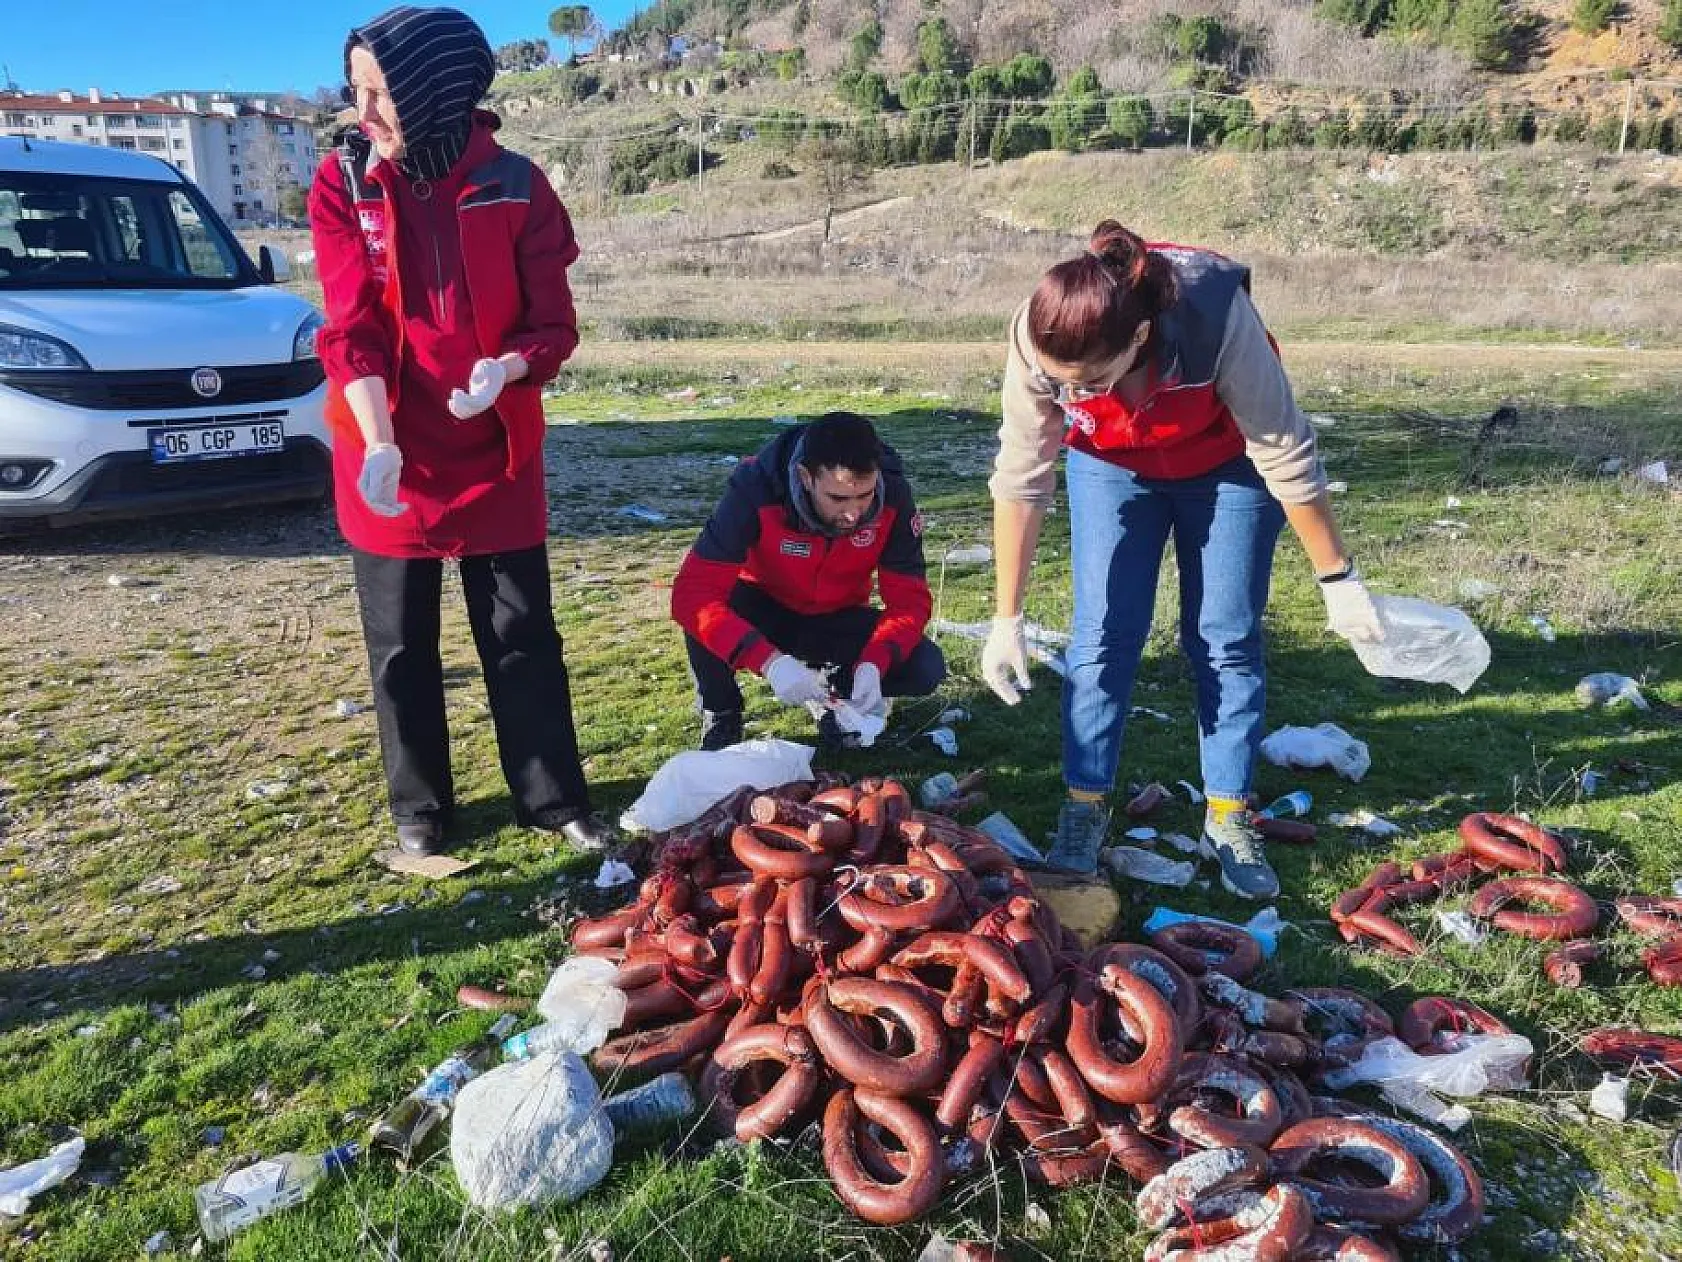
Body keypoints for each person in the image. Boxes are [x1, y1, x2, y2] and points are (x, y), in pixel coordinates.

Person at [982, 221, 1384, 899]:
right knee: (1103, 633)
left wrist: (1337, 577)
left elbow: (1284, 450)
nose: (1074, 397)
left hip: (1227, 464)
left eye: (1089, 382)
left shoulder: (1216, 318)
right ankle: (1084, 808)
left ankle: (1227, 814)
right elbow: (1022, 474)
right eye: (1061, 385)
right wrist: (1006, 618)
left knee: (1224, 636)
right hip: (1111, 467)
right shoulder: (1040, 334)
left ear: (1138, 337)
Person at [308, 5, 610, 857]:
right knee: (400, 643)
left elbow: (552, 325)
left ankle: (551, 799)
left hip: (496, 444)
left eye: (382, 93)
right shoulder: (344, 183)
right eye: (356, 91)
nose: (364, 113)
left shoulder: (517, 184)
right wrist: (379, 440)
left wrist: (506, 370)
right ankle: (421, 808)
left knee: (521, 633)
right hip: (386, 447)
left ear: (435, 93)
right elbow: (351, 327)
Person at [672, 412, 946, 750]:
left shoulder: (894, 496)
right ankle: (722, 711)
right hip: (763, 605)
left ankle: (835, 695)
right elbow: (692, 593)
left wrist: (875, 662)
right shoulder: (755, 488)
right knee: (704, 614)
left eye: (864, 495)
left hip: (835, 615)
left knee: (925, 667)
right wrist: (769, 662)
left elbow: (909, 600)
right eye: (838, 498)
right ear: (805, 477)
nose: (853, 514)